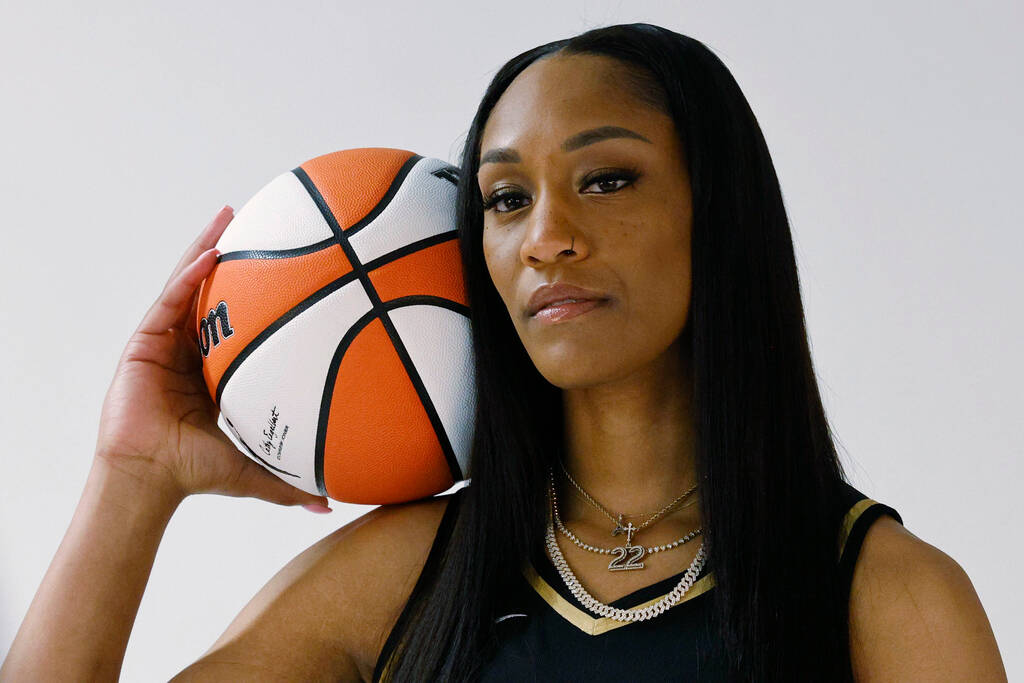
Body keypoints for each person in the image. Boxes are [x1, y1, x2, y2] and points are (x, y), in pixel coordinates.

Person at [1, 22, 1007, 683]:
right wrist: (130, 478)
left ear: (721, 211)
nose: (545, 236)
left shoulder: (886, 596)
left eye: (606, 179)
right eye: (505, 197)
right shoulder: (406, 576)